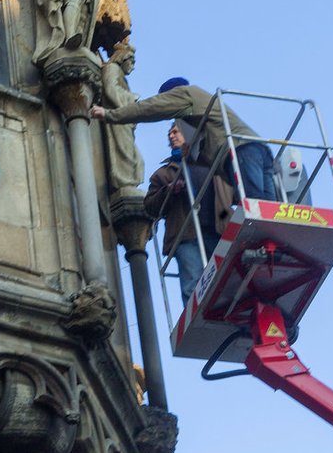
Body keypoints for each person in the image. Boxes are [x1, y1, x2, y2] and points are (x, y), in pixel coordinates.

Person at [92, 76, 277, 202]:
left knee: (255, 205)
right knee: (271, 211)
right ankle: (273, 247)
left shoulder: (185, 94)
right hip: (258, 148)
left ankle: (263, 243)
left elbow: (149, 109)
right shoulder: (200, 108)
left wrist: (110, 115)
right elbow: (210, 146)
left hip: (240, 151)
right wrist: (196, 155)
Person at [145, 121, 232, 304]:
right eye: (170, 133)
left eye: (176, 132)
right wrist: (169, 189)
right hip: (185, 235)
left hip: (219, 230)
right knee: (194, 282)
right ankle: (199, 323)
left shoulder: (212, 164)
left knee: (226, 279)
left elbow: (234, 192)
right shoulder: (163, 174)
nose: (171, 136)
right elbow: (150, 207)